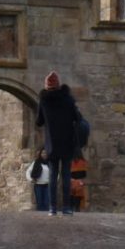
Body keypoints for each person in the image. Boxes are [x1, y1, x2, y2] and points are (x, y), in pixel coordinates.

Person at [37, 71, 83, 214]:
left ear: (46, 86)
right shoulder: (68, 99)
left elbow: (39, 121)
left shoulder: (44, 101)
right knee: (66, 175)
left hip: (52, 144)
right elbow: (78, 118)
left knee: (52, 175)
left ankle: (52, 208)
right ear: (58, 85)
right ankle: (66, 207)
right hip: (67, 142)